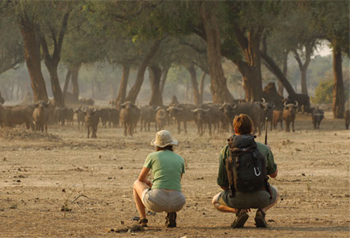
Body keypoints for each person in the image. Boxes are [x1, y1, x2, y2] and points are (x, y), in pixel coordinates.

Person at [212, 114, 279, 228]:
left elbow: (223, 185)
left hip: (236, 198)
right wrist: (268, 151)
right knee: (276, 194)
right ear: (251, 129)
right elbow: (273, 174)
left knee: (215, 201)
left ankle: (239, 212)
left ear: (235, 129)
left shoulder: (226, 150)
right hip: (261, 198)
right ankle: (261, 212)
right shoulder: (263, 148)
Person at [133, 130, 186, 228]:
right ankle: (171, 214)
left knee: (136, 183)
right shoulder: (180, 159)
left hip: (156, 200)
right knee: (172, 185)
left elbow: (141, 178)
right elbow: (177, 180)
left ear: (157, 145)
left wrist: (149, 183)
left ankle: (143, 219)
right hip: (178, 201)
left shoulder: (152, 156)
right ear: (171, 144)